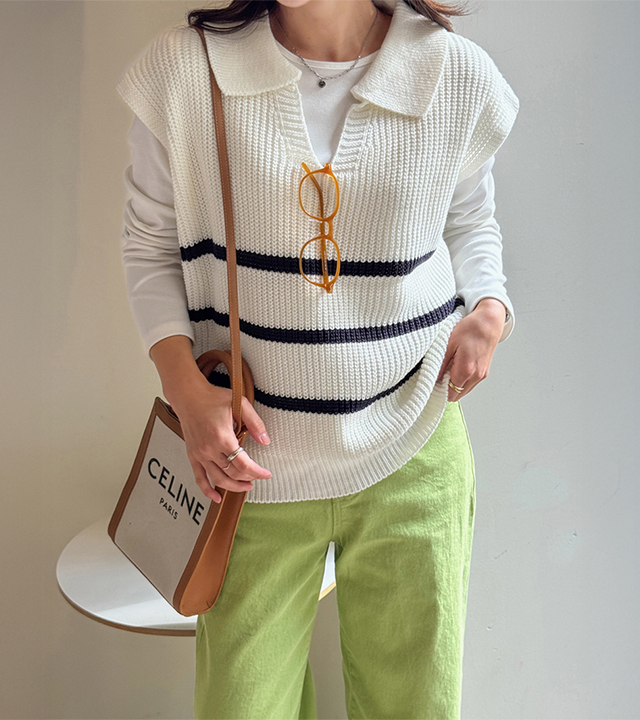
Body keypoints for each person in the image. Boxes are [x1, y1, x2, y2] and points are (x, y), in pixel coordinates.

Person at [117, 0, 519, 716]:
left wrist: (490, 309)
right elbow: (149, 246)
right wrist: (186, 391)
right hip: (248, 468)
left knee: (414, 707)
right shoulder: (186, 70)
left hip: (412, 448)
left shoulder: (452, 73)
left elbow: (470, 220)